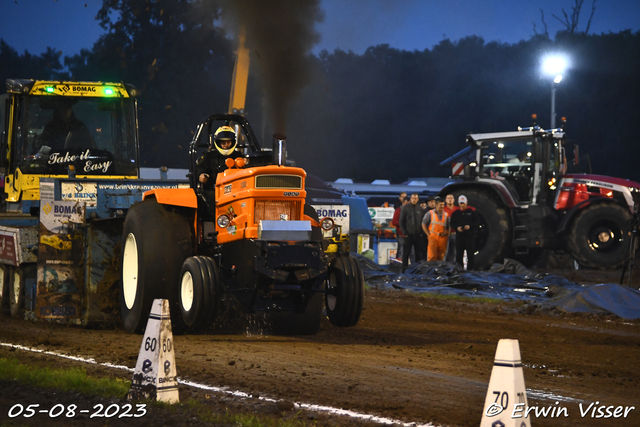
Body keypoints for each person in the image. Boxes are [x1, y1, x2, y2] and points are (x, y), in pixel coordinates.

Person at [195, 125, 242, 213]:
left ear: (233, 142)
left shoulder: (239, 157)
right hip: (214, 188)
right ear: (217, 142)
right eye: (223, 142)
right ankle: (217, 221)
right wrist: (201, 175)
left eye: (228, 142)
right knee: (212, 196)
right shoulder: (209, 156)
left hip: (237, 189)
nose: (226, 145)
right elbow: (200, 168)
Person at [450, 195, 479, 270]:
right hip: (460, 236)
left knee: (470, 254)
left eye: (463, 203)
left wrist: (470, 227)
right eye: (460, 203)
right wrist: (457, 228)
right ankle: (459, 269)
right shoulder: (456, 213)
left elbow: (477, 223)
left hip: (470, 236)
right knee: (459, 254)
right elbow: (452, 223)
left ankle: (470, 270)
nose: (462, 205)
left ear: (466, 203)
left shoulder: (472, 211)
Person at [399, 193, 424, 270]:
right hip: (408, 235)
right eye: (413, 198)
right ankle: (404, 269)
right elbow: (401, 221)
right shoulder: (405, 208)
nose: (414, 200)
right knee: (406, 254)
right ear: (410, 199)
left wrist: (422, 233)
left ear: (418, 199)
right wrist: (404, 233)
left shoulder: (420, 209)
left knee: (418, 254)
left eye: (416, 198)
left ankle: (417, 269)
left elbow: (423, 222)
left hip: (418, 235)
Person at [422, 196, 450, 261]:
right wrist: (428, 235)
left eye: (443, 205)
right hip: (433, 237)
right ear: (436, 205)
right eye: (440, 205)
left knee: (441, 257)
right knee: (432, 256)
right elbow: (423, 224)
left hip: (443, 238)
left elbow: (449, 226)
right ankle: (431, 270)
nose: (442, 206)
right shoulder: (430, 213)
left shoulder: (446, 215)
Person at [391, 196, 410, 261]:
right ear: (404, 202)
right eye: (407, 203)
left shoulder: (410, 211)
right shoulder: (398, 210)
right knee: (401, 251)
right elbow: (394, 222)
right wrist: (403, 223)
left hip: (410, 234)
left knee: (412, 253)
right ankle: (399, 267)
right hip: (401, 234)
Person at [443, 194, 459, 263]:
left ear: (454, 200)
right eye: (448, 198)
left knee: (454, 252)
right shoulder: (443, 209)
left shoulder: (457, 209)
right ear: (446, 200)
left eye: (451, 198)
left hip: (455, 233)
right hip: (446, 234)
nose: (450, 199)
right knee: (445, 252)